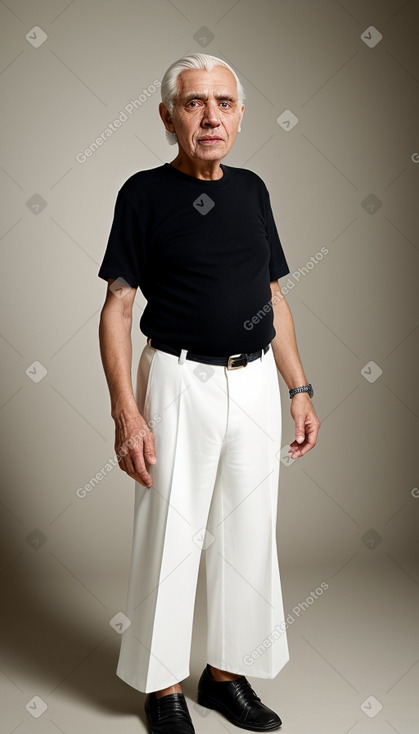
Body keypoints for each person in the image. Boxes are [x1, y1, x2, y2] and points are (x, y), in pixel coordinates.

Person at [98, 53, 320, 734]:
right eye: (194, 103)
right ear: (168, 116)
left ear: (241, 115)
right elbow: (116, 307)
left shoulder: (251, 189)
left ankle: (225, 677)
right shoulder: (143, 193)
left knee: (248, 534)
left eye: (223, 102)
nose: (211, 115)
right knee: (170, 533)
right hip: (176, 376)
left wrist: (298, 388)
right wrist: (125, 412)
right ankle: (162, 689)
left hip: (252, 378)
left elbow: (273, 297)